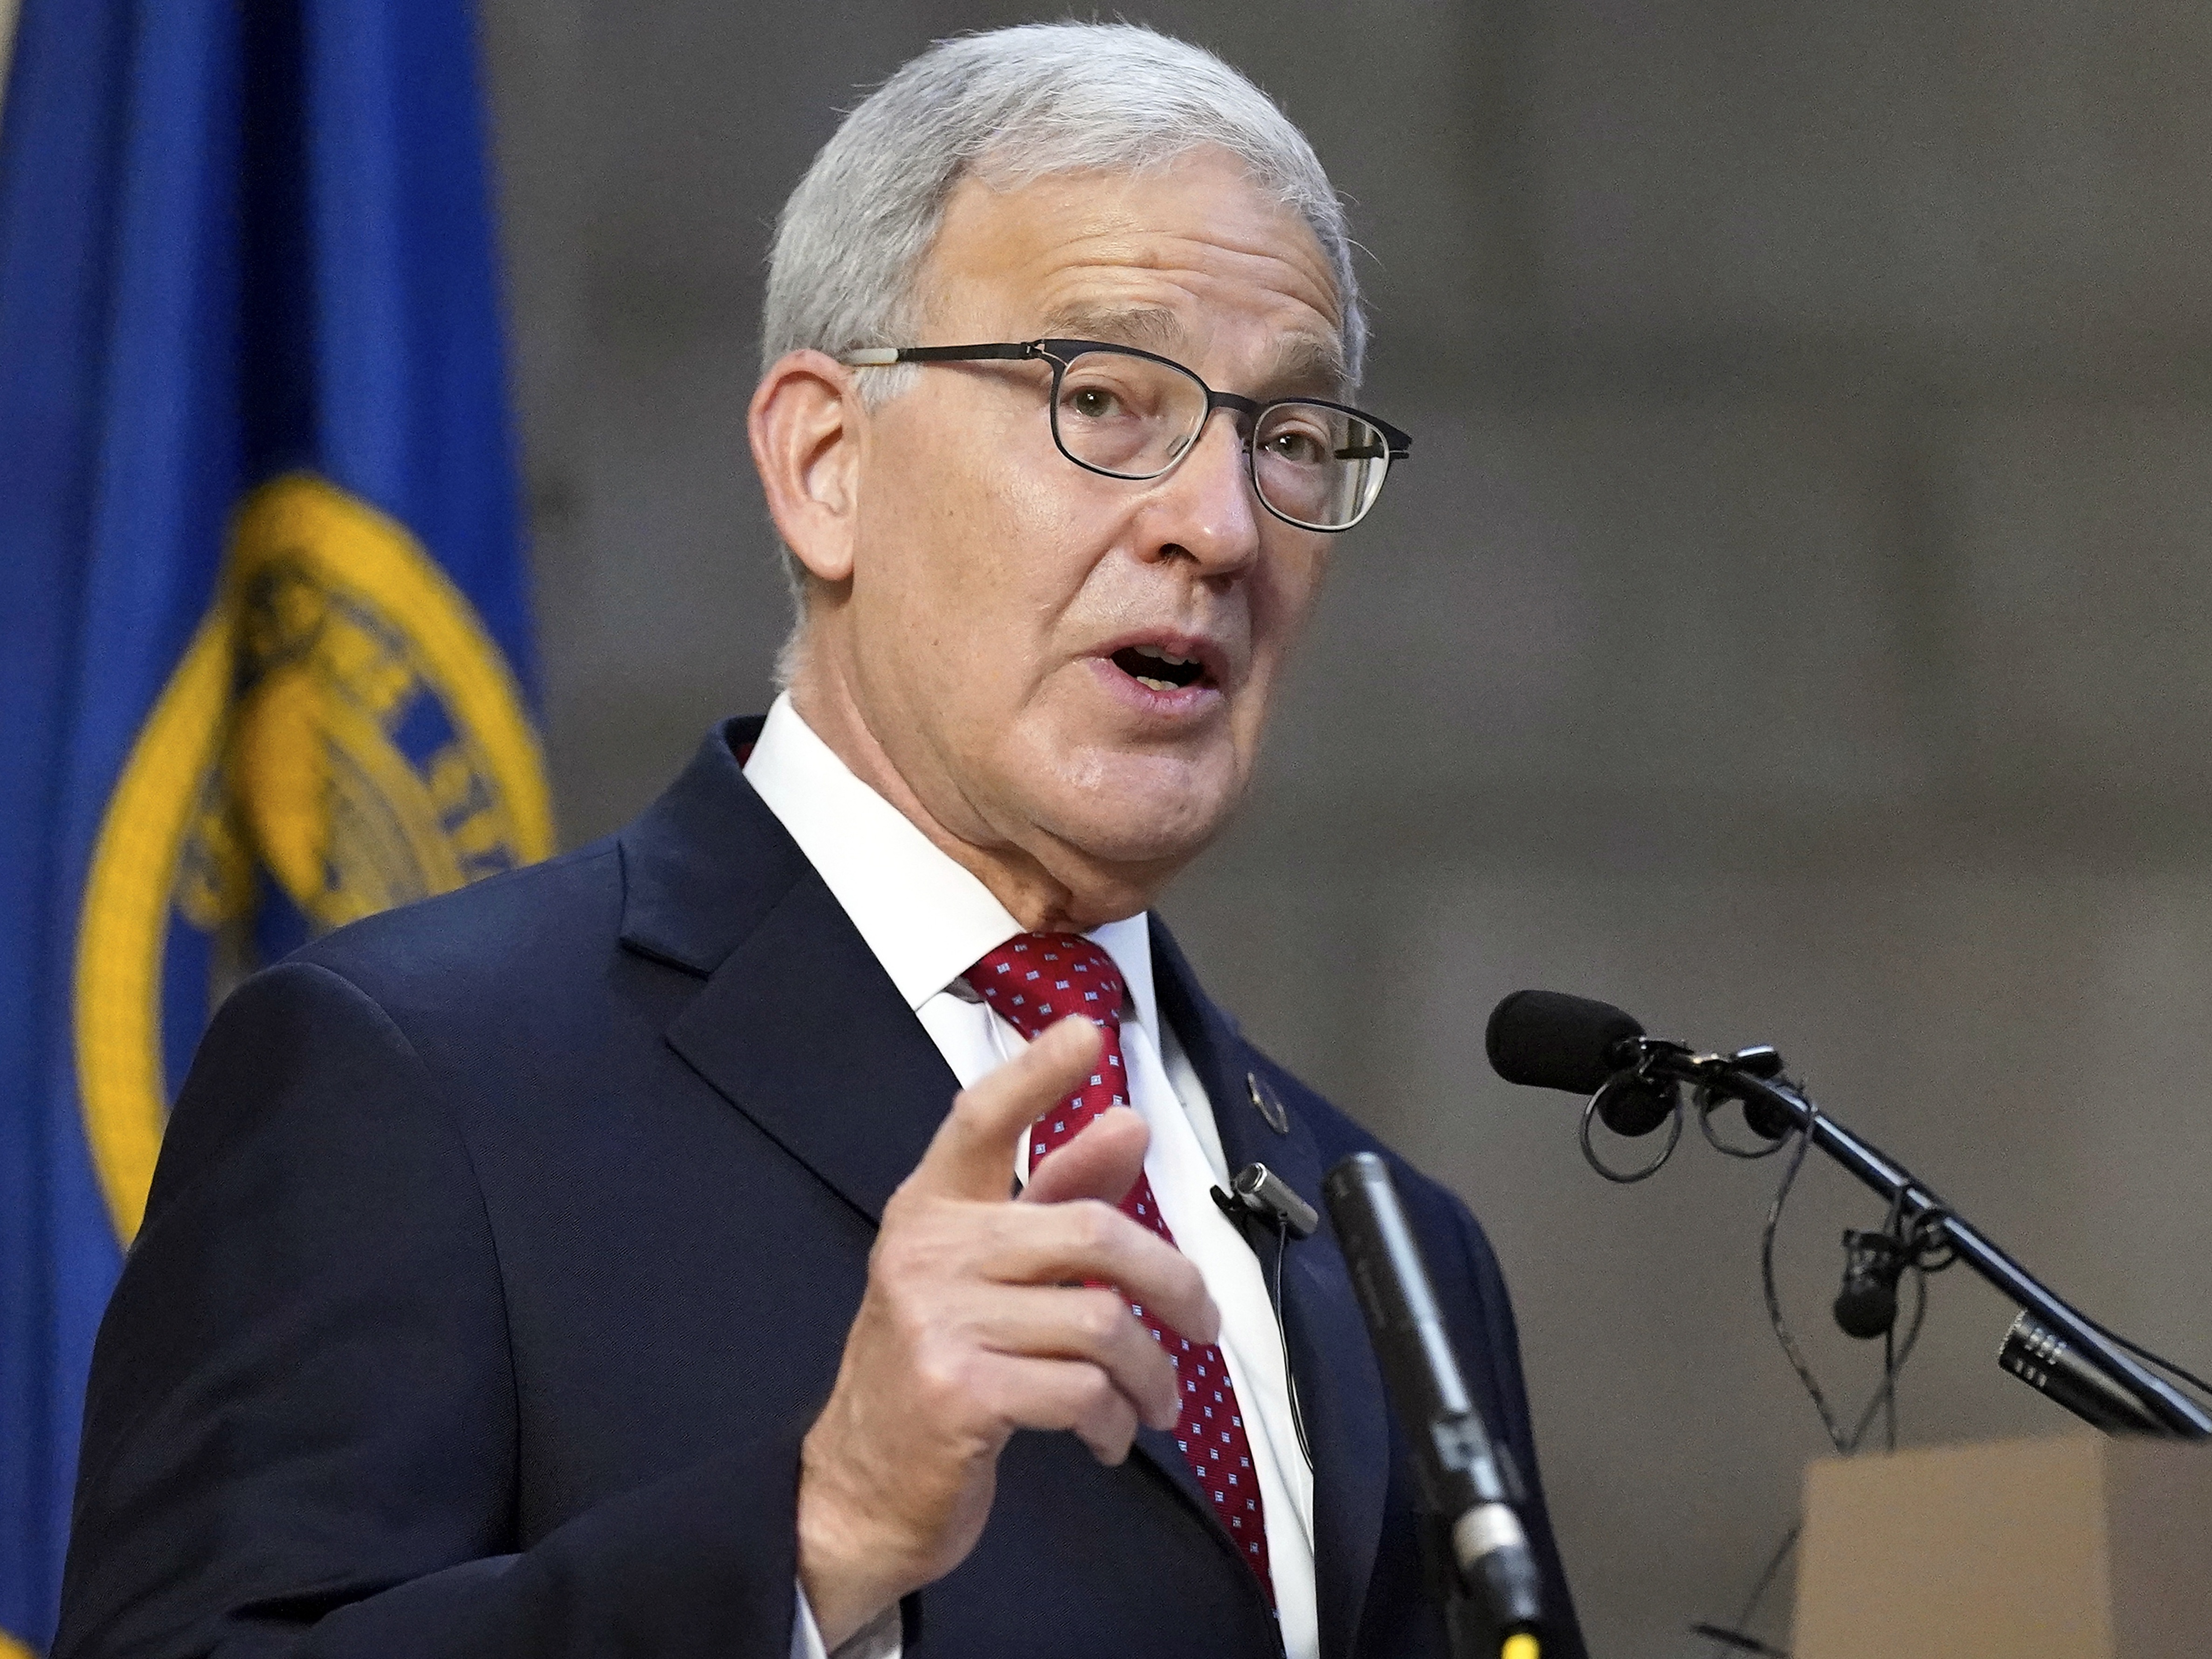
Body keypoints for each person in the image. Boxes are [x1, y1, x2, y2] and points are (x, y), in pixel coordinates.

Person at [56, 23, 1586, 1659]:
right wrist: (818, 1534)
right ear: (823, 462)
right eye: (1106, 400)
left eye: (1285, 439)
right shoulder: (415, 1080)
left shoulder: (1400, 1248)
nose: (1216, 525)